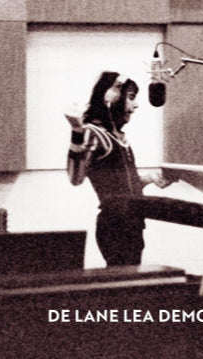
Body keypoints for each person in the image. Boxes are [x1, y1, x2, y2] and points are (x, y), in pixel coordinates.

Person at [65, 71, 170, 267]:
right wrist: (77, 132)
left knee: (131, 277)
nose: (136, 105)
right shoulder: (93, 133)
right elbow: (75, 177)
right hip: (115, 225)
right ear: (111, 98)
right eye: (131, 97)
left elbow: (121, 183)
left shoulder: (119, 137)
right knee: (124, 278)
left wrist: (149, 178)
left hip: (134, 223)